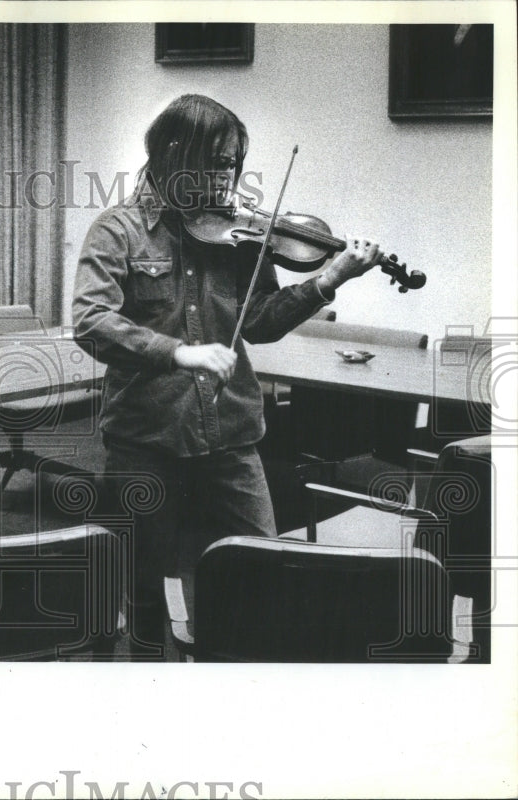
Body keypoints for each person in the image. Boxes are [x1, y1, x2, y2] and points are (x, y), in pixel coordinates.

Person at [72, 94, 383, 657]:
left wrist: (328, 279)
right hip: (146, 439)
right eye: (215, 163)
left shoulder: (237, 236)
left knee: (262, 565)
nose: (227, 180)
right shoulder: (117, 231)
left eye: (234, 165)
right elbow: (91, 321)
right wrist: (176, 352)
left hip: (231, 437)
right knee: (142, 586)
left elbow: (259, 323)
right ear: (172, 154)